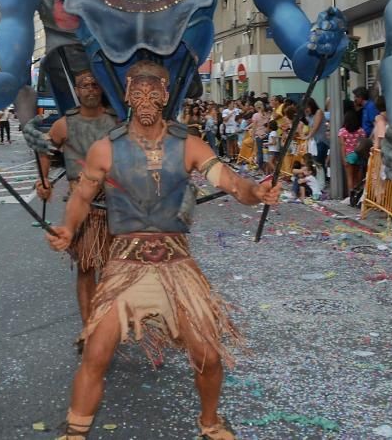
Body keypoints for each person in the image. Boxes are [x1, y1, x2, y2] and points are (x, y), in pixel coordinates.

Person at [47, 60, 281, 440]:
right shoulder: (106, 148)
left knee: (208, 355)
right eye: (137, 92)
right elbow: (82, 196)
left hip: (175, 262)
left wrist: (257, 192)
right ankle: (75, 432)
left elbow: (231, 183)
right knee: (96, 352)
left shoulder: (187, 143)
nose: (145, 99)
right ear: (125, 94)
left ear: (166, 94)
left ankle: (210, 424)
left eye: (153, 91)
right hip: (125, 263)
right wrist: (69, 228)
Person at [35, 70, 117, 344]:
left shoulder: (116, 122)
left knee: (112, 270)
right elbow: (45, 149)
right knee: (85, 268)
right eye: (85, 85)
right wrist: (44, 180)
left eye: (95, 84)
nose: (91, 89)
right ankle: (89, 329)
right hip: (82, 208)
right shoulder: (64, 125)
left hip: (114, 206)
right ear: (77, 91)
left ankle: (106, 322)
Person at [338, 109, 366, 199]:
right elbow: (364, 143)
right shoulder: (361, 130)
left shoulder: (343, 131)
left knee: (349, 177)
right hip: (359, 154)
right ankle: (357, 196)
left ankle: (351, 198)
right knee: (357, 178)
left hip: (349, 155)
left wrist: (344, 159)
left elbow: (342, 145)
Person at [304, 97, 329, 186]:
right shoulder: (309, 116)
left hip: (322, 140)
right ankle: (320, 180)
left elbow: (315, 127)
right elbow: (310, 127)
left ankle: (322, 182)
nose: (306, 110)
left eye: (307, 107)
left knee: (319, 161)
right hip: (315, 142)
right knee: (316, 161)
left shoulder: (319, 112)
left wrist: (308, 136)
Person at [250, 101, 269, 173]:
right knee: (266, 152)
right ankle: (266, 168)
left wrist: (253, 135)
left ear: (256, 107)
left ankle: (260, 168)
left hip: (259, 135)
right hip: (266, 135)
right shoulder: (267, 115)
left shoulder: (255, 115)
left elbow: (254, 127)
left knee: (259, 152)